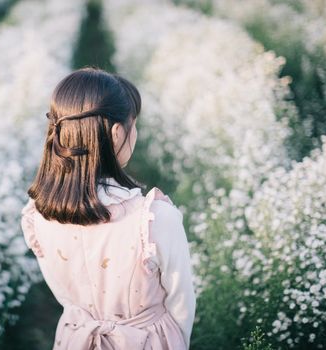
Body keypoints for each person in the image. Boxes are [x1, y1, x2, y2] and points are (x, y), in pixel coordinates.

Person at [20, 66, 196, 349]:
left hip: (75, 339)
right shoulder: (154, 219)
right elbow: (182, 304)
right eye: (133, 124)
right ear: (116, 133)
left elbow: (64, 296)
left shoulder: (39, 213)